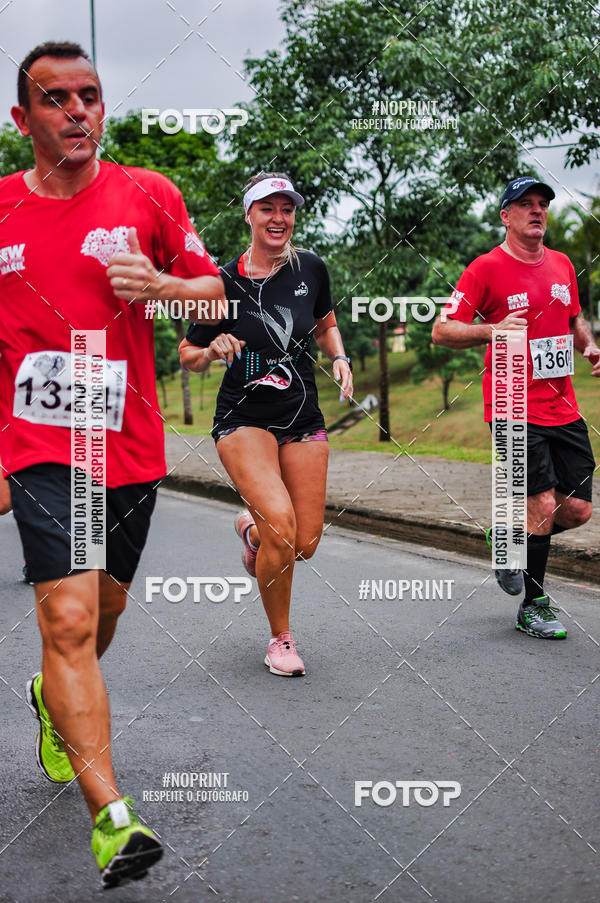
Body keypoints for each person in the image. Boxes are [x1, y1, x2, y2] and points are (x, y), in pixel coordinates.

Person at [1, 41, 225, 886]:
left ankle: (51, 701)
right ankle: (114, 819)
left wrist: (161, 283)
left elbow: (220, 290)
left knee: (98, 620)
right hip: (41, 445)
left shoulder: (148, 195)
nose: (78, 111)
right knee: (66, 619)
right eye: (56, 100)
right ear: (24, 121)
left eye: (89, 95)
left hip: (125, 446)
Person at [179, 172, 352, 675]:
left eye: (287, 209)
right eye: (268, 209)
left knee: (305, 543)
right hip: (243, 418)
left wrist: (338, 358)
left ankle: (253, 535)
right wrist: (212, 349)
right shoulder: (222, 282)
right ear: (249, 215)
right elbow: (186, 352)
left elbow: (325, 322)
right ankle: (281, 640)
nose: (279, 219)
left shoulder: (312, 269)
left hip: (302, 415)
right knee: (283, 526)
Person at [432, 175, 600, 639]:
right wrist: (495, 329)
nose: (537, 210)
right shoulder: (484, 269)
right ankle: (534, 605)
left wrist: (588, 344)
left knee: (579, 509)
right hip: (511, 404)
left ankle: (509, 540)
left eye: (543, 203)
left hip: (563, 405)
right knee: (542, 504)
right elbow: (442, 331)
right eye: (525, 204)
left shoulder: (563, 264)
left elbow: (574, 316)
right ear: (505, 216)